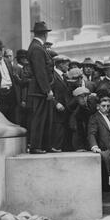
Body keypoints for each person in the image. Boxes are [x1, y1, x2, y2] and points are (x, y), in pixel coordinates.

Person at [27, 22, 55, 154]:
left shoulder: (36, 46)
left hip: (40, 89)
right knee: (39, 118)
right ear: (45, 34)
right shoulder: (37, 48)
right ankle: (36, 146)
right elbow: (40, 71)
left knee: (45, 118)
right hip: (39, 90)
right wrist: (47, 90)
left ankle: (44, 145)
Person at [52, 55, 72, 152]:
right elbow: (48, 92)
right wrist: (56, 103)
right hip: (56, 109)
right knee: (57, 129)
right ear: (60, 64)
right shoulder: (52, 75)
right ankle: (55, 147)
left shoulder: (65, 76)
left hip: (65, 109)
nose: (68, 67)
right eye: (66, 65)